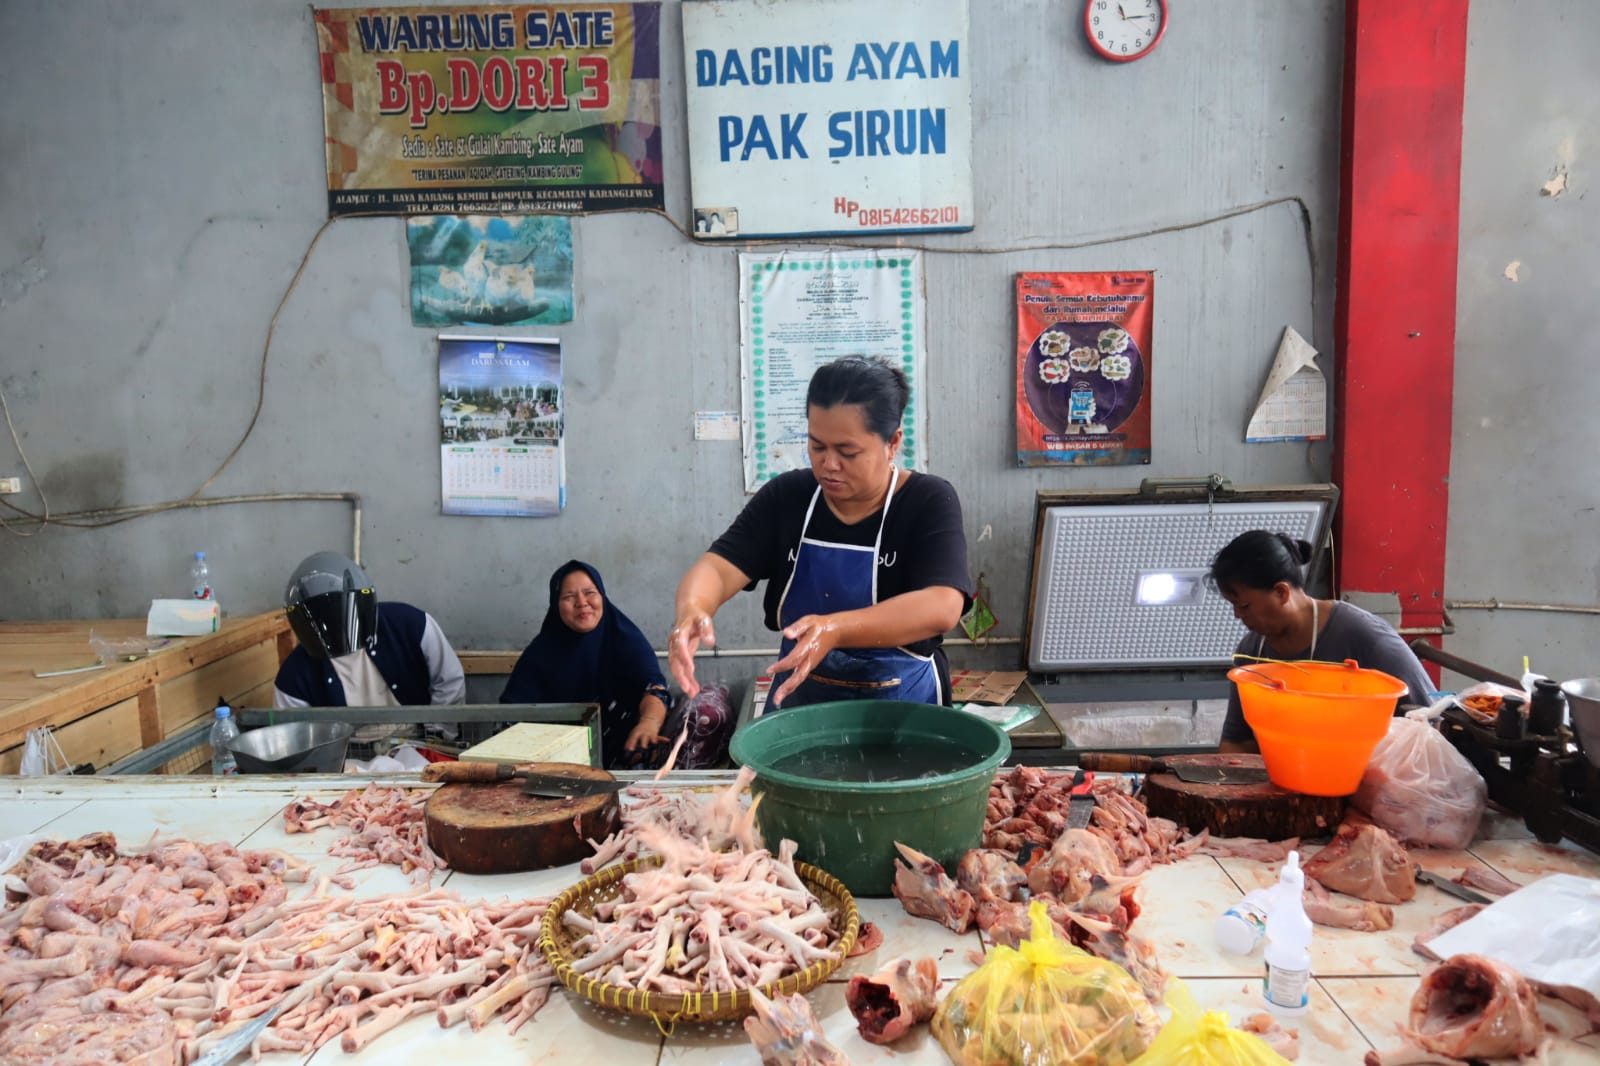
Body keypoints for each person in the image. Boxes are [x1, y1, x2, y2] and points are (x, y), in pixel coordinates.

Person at [670, 356, 972, 710]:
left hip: (902, 705)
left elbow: (942, 604)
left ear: (892, 443)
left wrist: (836, 629)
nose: (829, 464)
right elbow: (719, 568)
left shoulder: (927, 500)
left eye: (848, 452)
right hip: (802, 700)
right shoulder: (789, 496)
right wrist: (693, 608)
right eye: (817, 446)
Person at [1210, 530, 1435, 754]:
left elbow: (1431, 722)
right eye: (1233, 605)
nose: (1237, 615)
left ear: (1281, 592)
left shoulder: (1364, 637)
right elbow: (1237, 743)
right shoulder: (1251, 653)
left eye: (1244, 606)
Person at [501, 560, 672, 768]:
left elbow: (654, 687)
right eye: (569, 596)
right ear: (556, 604)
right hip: (557, 768)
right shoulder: (540, 654)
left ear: (602, 596)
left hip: (626, 762)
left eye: (590, 592)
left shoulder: (624, 638)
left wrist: (648, 724)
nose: (582, 602)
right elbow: (510, 716)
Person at [274, 552, 466, 709]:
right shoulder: (294, 675)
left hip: (418, 740)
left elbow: (449, 680)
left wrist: (437, 735)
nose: (334, 628)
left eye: (337, 614)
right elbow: (294, 735)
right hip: (345, 751)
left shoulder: (410, 624)